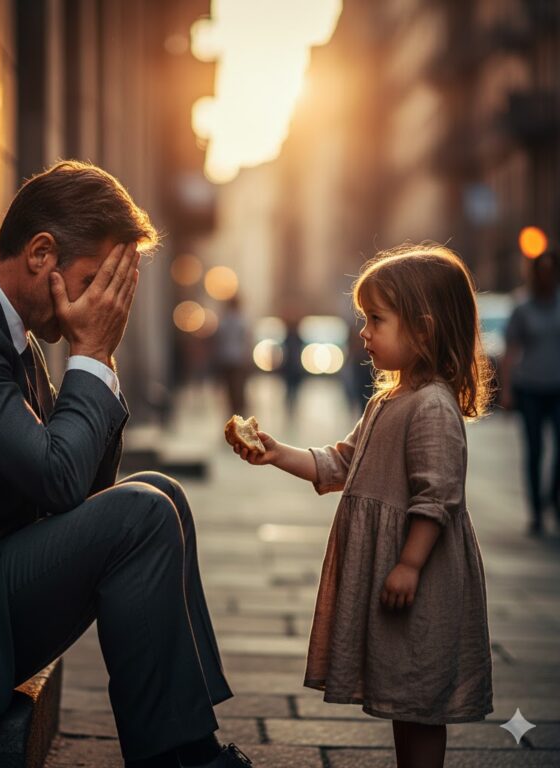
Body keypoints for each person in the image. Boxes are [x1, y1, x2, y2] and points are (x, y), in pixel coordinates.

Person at [0, 161, 254, 768]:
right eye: (94, 278)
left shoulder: (7, 331)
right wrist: (92, 354)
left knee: (157, 492)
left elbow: (78, 490)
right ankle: (180, 760)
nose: (101, 302)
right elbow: (62, 478)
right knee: (141, 512)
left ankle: (185, 740)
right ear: (42, 253)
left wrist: (96, 361)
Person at [226, 244, 494, 768]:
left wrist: (410, 563)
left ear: (423, 327)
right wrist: (277, 452)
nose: (363, 333)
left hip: (420, 574)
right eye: (364, 319)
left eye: (376, 320)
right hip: (392, 569)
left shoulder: (433, 406)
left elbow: (437, 495)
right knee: (402, 694)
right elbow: (341, 463)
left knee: (421, 698)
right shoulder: (386, 399)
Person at [501, 250, 560, 537]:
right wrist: (507, 390)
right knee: (535, 449)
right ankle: (537, 512)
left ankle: (554, 499)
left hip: (558, 386)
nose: (548, 275)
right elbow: (510, 351)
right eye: (543, 270)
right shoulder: (522, 306)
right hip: (531, 387)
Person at [214, 295, 252, 415]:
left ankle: (232, 414)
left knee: (230, 390)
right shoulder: (242, 321)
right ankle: (239, 413)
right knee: (239, 389)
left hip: (226, 359)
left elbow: (219, 340)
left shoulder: (224, 321)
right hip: (238, 360)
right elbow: (246, 340)